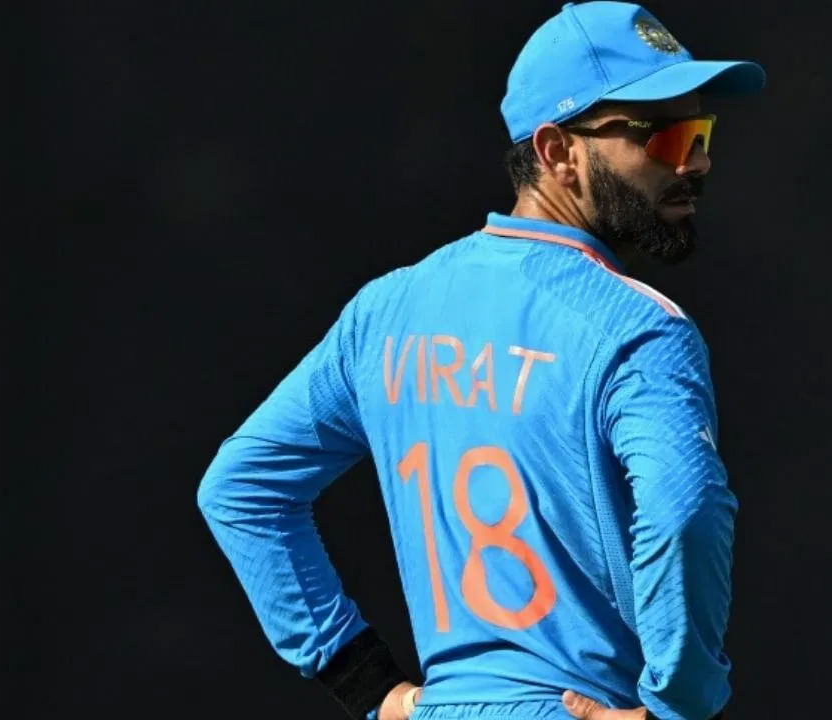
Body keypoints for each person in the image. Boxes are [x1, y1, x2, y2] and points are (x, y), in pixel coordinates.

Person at [195, 2, 765, 719]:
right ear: (558, 151)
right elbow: (684, 512)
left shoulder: (388, 309)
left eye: (702, 133)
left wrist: (369, 686)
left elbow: (240, 489)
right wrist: (677, 706)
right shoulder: (637, 327)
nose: (697, 162)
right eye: (666, 137)